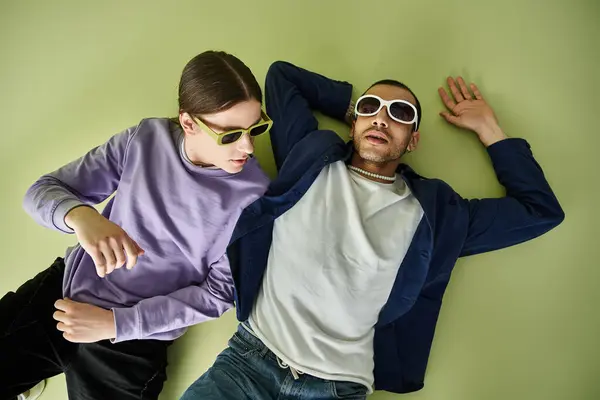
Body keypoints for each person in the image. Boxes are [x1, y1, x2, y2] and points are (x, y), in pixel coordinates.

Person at [180, 61, 564, 400]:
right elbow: (283, 77)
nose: (381, 118)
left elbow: (540, 210)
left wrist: (488, 128)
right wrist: (351, 108)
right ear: (354, 124)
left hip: (336, 387)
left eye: (399, 113)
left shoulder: (438, 215)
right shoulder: (309, 155)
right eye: (370, 108)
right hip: (248, 362)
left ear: (413, 140)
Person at [0, 50, 272, 400]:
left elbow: (218, 293)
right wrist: (83, 217)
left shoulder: (253, 196)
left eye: (256, 128)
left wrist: (115, 324)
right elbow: (41, 192)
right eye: (231, 134)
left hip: (134, 339)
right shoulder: (146, 139)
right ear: (188, 123)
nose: (248, 147)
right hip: (65, 294)